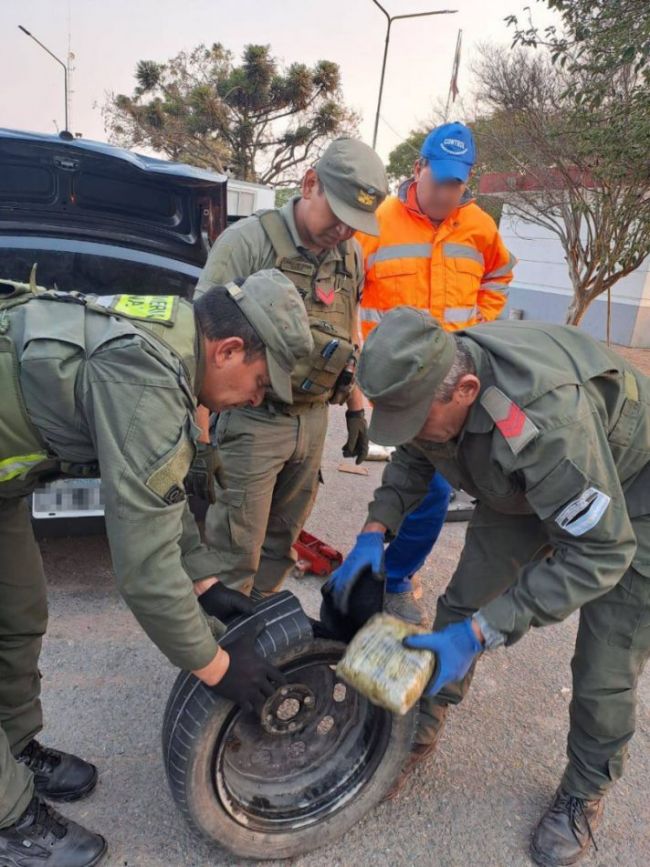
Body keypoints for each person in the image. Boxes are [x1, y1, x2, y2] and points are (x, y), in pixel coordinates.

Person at [0, 269, 312, 866]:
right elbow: (142, 570)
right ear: (227, 350)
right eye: (257, 384)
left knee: (17, 615)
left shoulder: (173, 330)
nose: (254, 400)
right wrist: (218, 668)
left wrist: (205, 581)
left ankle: (14, 752)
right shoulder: (148, 380)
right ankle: (9, 821)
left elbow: (159, 490)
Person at [325, 307, 650, 866]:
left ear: (467, 389)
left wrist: (484, 632)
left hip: (632, 496)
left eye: (416, 418)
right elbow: (414, 451)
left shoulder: (545, 422)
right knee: (462, 602)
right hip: (527, 484)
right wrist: (375, 530)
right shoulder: (438, 377)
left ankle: (584, 789)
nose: (410, 431)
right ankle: (428, 715)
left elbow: (602, 550)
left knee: (604, 664)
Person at [194, 138, 388, 596]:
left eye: (354, 224)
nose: (343, 230)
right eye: (338, 215)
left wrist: (356, 407)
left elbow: (349, 328)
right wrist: (200, 441)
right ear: (310, 183)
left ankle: (254, 626)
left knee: (281, 542)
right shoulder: (248, 243)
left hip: (314, 419)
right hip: (252, 420)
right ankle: (218, 657)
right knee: (235, 550)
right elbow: (200, 348)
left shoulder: (350, 254)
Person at [355, 122, 516, 624]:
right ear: (418, 168)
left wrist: (480, 327)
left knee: (435, 488)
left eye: (457, 183)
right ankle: (387, 569)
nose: (447, 192)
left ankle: (395, 574)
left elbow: (500, 274)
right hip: (404, 385)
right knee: (422, 480)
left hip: (460, 383)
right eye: (439, 179)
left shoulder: (479, 227)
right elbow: (346, 293)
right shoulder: (376, 223)